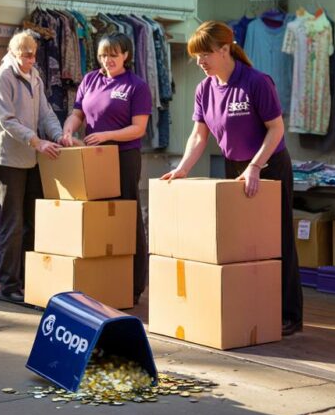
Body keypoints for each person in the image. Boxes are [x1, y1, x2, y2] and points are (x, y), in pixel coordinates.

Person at [161, 21, 303, 336]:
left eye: (205, 54)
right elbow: (199, 136)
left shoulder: (256, 82)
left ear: (225, 50)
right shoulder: (204, 89)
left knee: (276, 239)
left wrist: (255, 166)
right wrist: (183, 168)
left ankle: (289, 314)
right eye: (196, 56)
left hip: (268, 166)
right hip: (233, 166)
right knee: (241, 242)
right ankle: (251, 305)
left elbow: (276, 129)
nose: (200, 62)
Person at [60, 32, 152, 306]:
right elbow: (78, 113)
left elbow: (139, 128)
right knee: (98, 217)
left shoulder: (136, 86)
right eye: (103, 55)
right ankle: (103, 278)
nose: (107, 60)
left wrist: (107, 135)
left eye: (113, 54)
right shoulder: (90, 79)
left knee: (126, 216)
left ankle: (134, 285)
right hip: (94, 156)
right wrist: (67, 128)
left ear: (125, 55)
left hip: (123, 156)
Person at [0, 29, 63, 303]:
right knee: (13, 224)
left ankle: (31, 281)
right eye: (25, 56)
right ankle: (10, 286)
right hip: (8, 161)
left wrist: (57, 136)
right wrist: (36, 141)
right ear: (13, 53)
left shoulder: (36, 77)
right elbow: (7, 120)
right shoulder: (3, 77)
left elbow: (45, 112)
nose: (30, 60)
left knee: (34, 222)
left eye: (33, 55)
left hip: (32, 159)